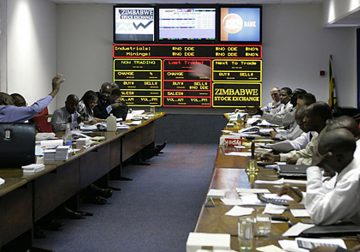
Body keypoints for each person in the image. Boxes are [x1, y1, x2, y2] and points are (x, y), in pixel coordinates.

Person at [278, 128, 360, 225]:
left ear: (338, 157)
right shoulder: (347, 168)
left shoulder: (353, 178)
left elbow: (318, 215)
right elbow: (327, 194)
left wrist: (314, 167)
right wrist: (303, 197)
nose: (321, 163)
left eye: (322, 159)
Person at [261, 102, 332, 165]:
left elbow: (324, 163)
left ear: (318, 118)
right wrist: (279, 157)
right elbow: (307, 153)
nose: (304, 120)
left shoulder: (331, 136)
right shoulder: (318, 133)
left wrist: (299, 161)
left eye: (307, 116)